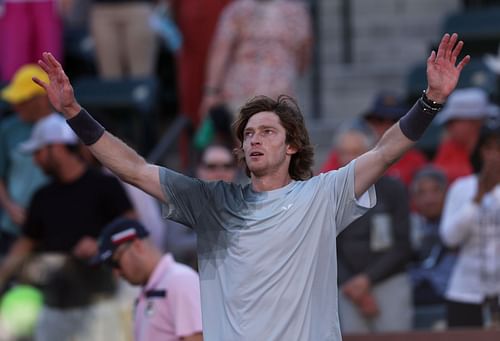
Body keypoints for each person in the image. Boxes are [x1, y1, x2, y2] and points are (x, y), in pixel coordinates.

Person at [35, 32, 468, 340]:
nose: (254, 139)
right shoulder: (212, 201)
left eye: (267, 131)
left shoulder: (321, 196)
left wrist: (430, 101)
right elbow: (133, 169)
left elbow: (386, 152)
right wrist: (75, 113)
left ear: (293, 145)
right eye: (248, 134)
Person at [0, 114, 135, 341]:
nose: (35, 160)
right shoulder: (42, 197)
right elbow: (24, 245)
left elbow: (133, 230)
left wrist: (102, 243)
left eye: (38, 152)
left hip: (101, 304)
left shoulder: (105, 186)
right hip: (54, 308)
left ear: (56, 148)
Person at [330, 129, 413, 333]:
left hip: (389, 280)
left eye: (356, 152)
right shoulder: (329, 193)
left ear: (370, 153)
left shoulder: (393, 188)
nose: (349, 159)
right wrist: (352, 285)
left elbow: (403, 244)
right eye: (344, 152)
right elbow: (326, 245)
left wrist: (366, 280)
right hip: (347, 286)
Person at [94, 217, 203, 341]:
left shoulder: (179, 280)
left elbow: (197, 338)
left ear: (137, 245)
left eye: (115, 263)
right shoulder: (152, 289)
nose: (116, 273)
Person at [200, 0, 313, 117]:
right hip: (279, 93)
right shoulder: (296, 12)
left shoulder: (238, 9)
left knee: (245, 131)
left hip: (240, 92)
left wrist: (211, 92)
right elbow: (303, 55)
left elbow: (221, 51)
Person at [440, 118, 500, 328]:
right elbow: (450, 238)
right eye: (489, 148)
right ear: (480, 152)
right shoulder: (462, 188)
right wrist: (477, 198)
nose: (494, 155)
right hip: (465, 292)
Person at [0, 64, 54, 255]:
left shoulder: (65, 127)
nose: (15, 106)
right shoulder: (7, 130)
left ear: (41, 99)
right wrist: (10, 207)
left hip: (53, 226)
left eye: (22, 100)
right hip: (14, 227)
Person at [320, 92, 428, 186]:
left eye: (394, 120)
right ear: (370, 122)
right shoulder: (349, 151)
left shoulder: (415, 158)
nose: (387, 126)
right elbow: (325, 187)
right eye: (380, 120)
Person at [432, 87, 495, 184]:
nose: (449, 127)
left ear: (475, 122)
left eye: (454, 121)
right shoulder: (449, 147)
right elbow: (436, 178)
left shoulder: (494, 148)